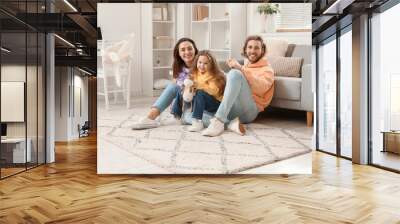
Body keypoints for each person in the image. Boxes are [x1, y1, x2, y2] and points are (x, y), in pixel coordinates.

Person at [200, 35, 275, 137]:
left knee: (235, 73)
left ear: (262, 51)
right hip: (232, 108)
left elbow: (260, 88)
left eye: (257, 48)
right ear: (245, 49)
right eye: (250, 47)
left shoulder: (267, 70)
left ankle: (219, 120)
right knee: (191, 115)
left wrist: (240, 69)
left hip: (250, 110)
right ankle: (230, 124)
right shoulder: (246, 66)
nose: (253, 51)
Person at [131, 37, 198, 129]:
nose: (187, 52)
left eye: (190, 48)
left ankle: (151, 116)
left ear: (195, 50)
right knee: (174, 85)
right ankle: (151, 116)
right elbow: (176, 86)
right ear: (178, 53)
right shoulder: (179, 67)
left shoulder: (202, 63)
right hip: (185, 100)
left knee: (174, 86)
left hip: (199, 99)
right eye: (183, 50)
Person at [183, 50, 226, 132]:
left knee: (200, 93)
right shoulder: (196, 73)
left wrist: (199, 86)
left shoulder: (214, 75)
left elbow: (214, 91)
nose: (202, 65)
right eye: (200, 62)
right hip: (204, 102)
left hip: (215, 103)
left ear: (211, 65)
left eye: (205, 63)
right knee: (183, 89)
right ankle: (177, 113)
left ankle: (197, 121)